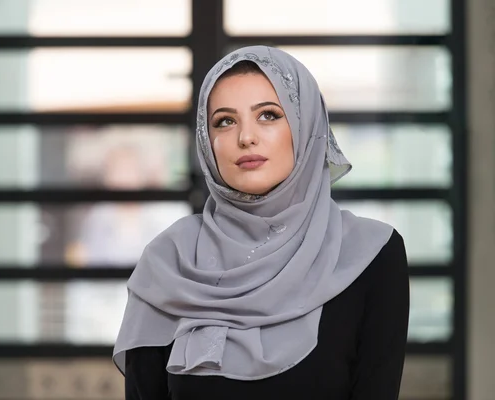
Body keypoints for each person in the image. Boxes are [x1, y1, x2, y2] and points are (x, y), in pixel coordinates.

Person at [112, 45, 410, 399]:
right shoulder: (169, 261)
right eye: (225, 121)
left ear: (304, 125)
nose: (246, 137)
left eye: (268, 115)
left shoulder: (370, 255)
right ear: (208, 144)